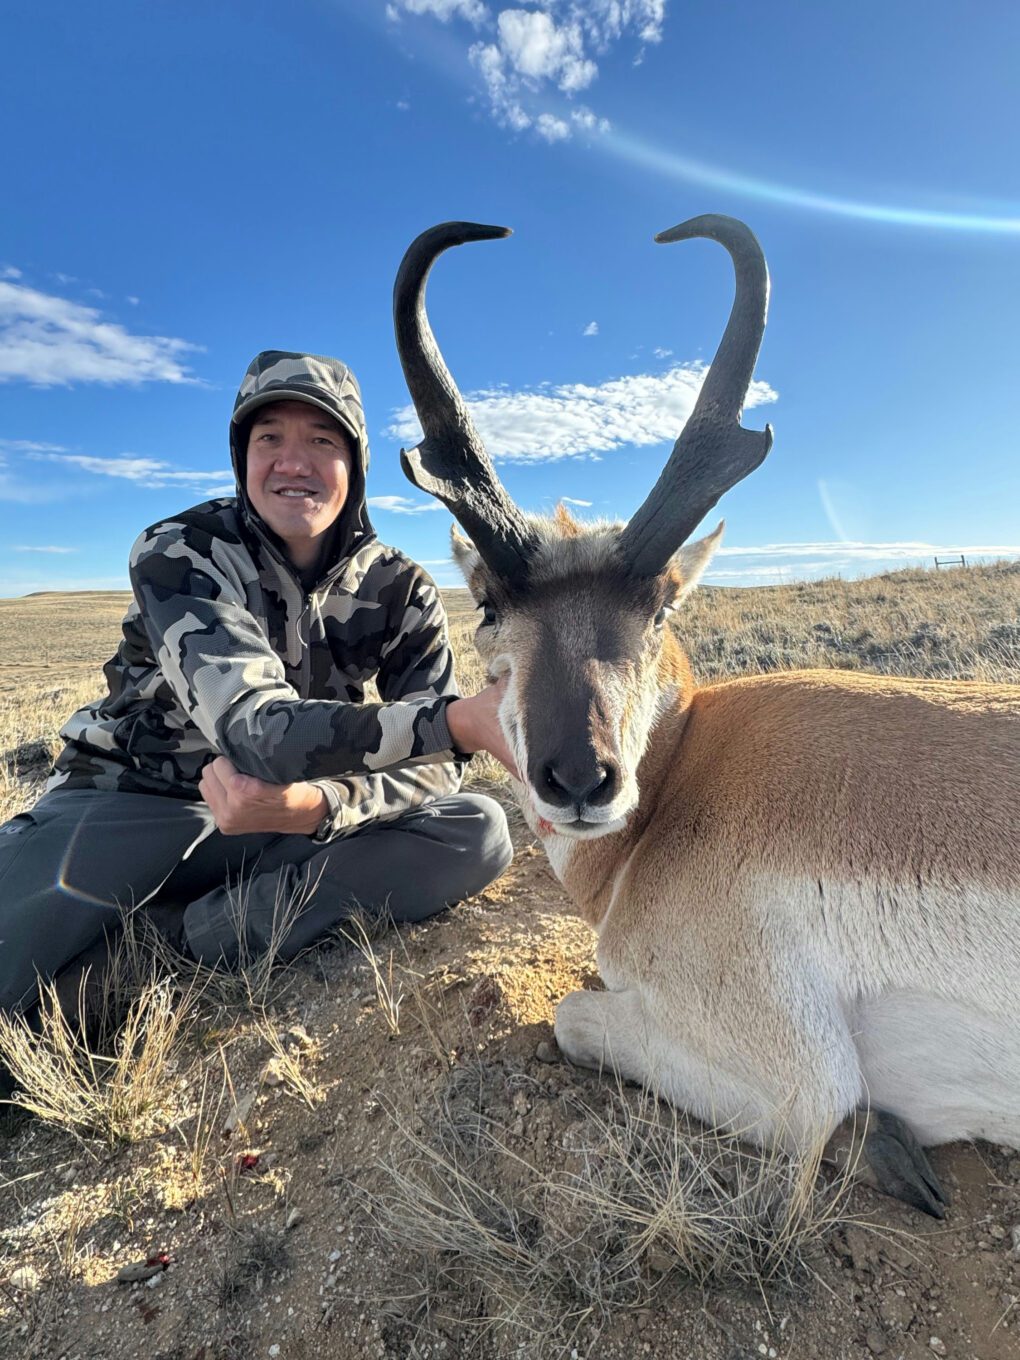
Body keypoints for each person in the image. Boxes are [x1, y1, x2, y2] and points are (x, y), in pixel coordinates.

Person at [0, 351, 514, 1022]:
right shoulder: (180, 551)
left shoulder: (401, 589)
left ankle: (172, 950)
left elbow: (437, 775)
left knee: (475, 832)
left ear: (354, 465)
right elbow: (257, 733)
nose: (292, 461)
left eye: (322, 440)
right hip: (133, 801)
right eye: (269, 437)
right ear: (242, 456)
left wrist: (316, 806)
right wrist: (455, 723)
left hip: (283, 822)